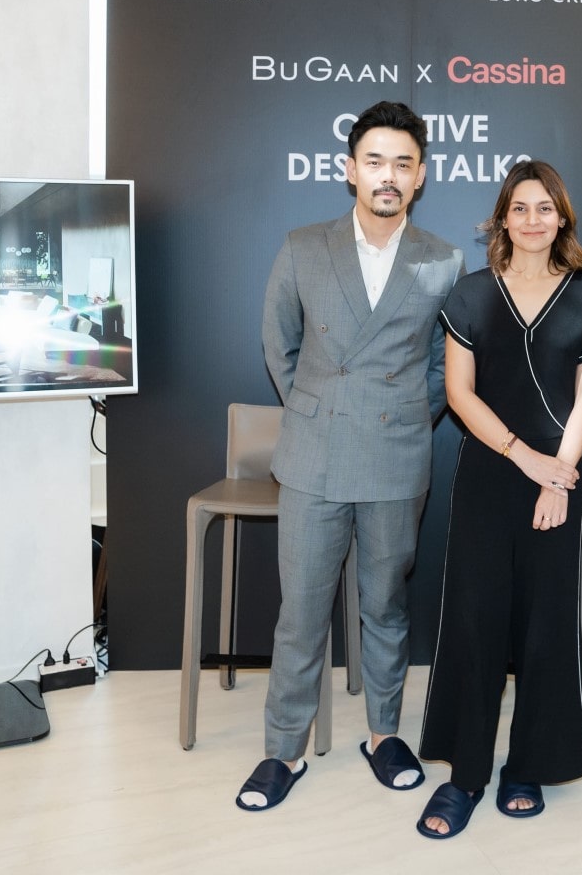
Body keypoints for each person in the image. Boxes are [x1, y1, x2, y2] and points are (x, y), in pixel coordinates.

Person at [241, 100, 465, 811]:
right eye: (375, 162)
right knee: (301, 611)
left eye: (402, 163)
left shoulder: (443, 259)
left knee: (387, 606)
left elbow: (444, 364)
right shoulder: (303, 247)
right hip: (313, 455)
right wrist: (316, 407)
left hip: (397, 453)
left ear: (420, 175)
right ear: (350, 171)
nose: (387, 175)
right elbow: (279, 344)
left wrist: (403, 413)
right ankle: (283, 749)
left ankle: (383, 734)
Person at [416, 160, 582, 839]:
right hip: (488, 474)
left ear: (562, 219)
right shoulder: (471, 294)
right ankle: (465, 774)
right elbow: (459, 393)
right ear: (503, 218)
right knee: (475, 623)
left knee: (545, 624)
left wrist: (559, 474)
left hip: (558, 478)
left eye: (545, 208)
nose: (533, 220)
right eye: (521, 208)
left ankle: (528, 765)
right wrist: (523, 457)